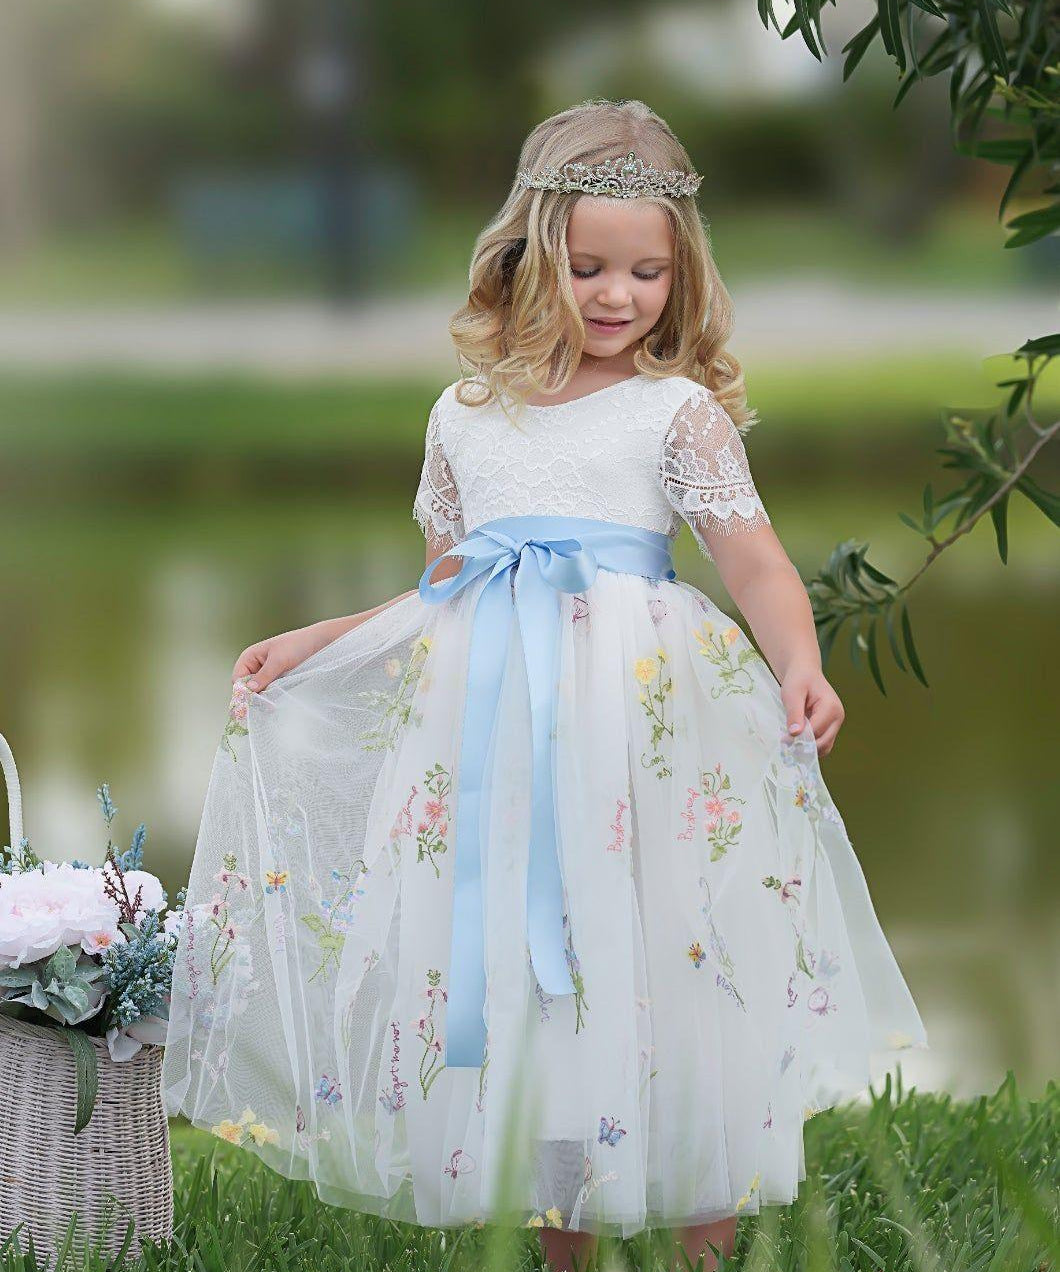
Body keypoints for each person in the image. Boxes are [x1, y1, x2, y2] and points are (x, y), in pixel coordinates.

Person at [161, 98, 928, 1272]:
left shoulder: (676, 414)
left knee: (663, 956)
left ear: (682, 275)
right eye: (586, 268)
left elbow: (755, 560)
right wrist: (323, 636)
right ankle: (556, 1231)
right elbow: (446, 589)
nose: (617, 295)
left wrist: (802, 661)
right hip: (500, 746)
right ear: (526, 258)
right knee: (527, 975)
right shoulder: (467, 416)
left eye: (646, 274)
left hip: (641, 738)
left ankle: (699, 1233)